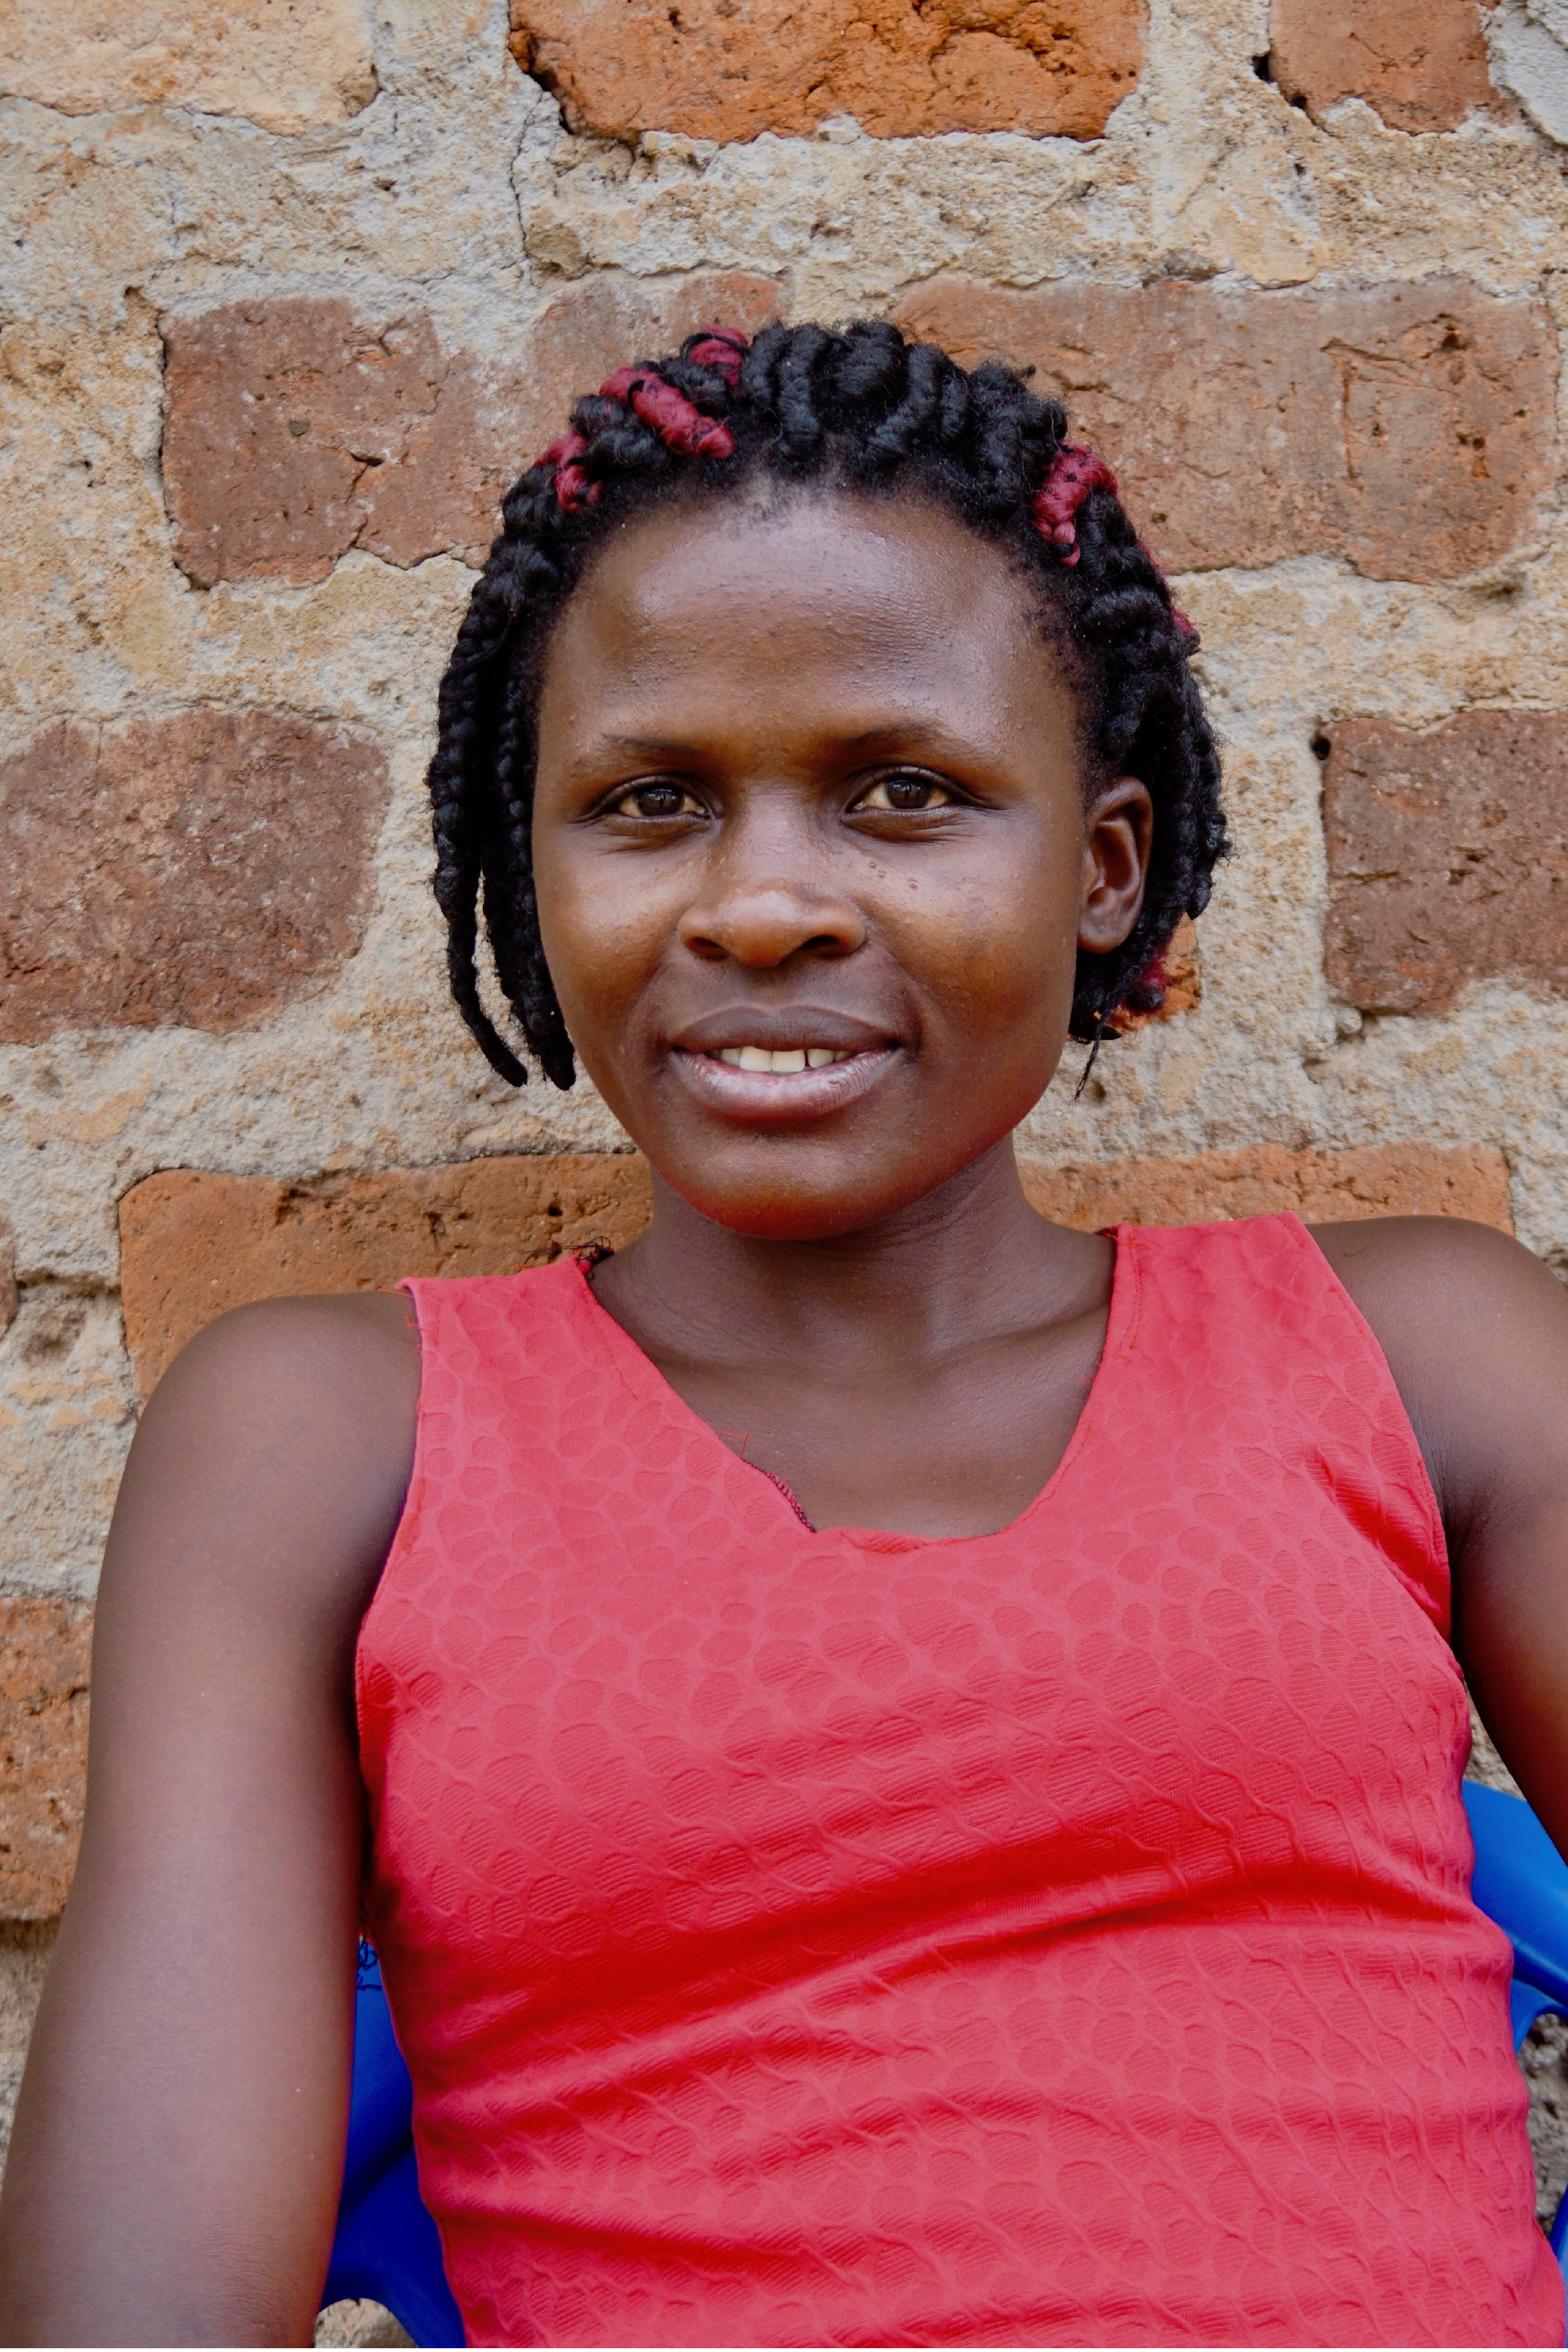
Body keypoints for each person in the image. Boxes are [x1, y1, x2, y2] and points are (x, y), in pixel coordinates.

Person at [1, 317, 1565, 2347]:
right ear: (528, 856)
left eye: (902, 792)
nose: (760, 903)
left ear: (1102, 868)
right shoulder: (321, 1441)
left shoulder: (1421, 1353)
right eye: (647, 803)